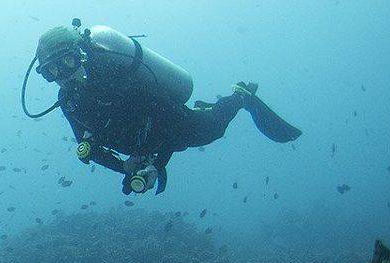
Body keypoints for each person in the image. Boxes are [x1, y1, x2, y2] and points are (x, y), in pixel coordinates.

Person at [25, 21, 301, 195]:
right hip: (135, 144)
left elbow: (164, 119)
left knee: (212, 130)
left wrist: (156, 164)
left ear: (81, 55)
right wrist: (125, 168)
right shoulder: (69, 101)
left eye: (66, 63)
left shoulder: (115, 73)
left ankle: (240, 96)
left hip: (171, 124)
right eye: (51, 71)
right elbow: (86, 149)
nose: (61, 74)